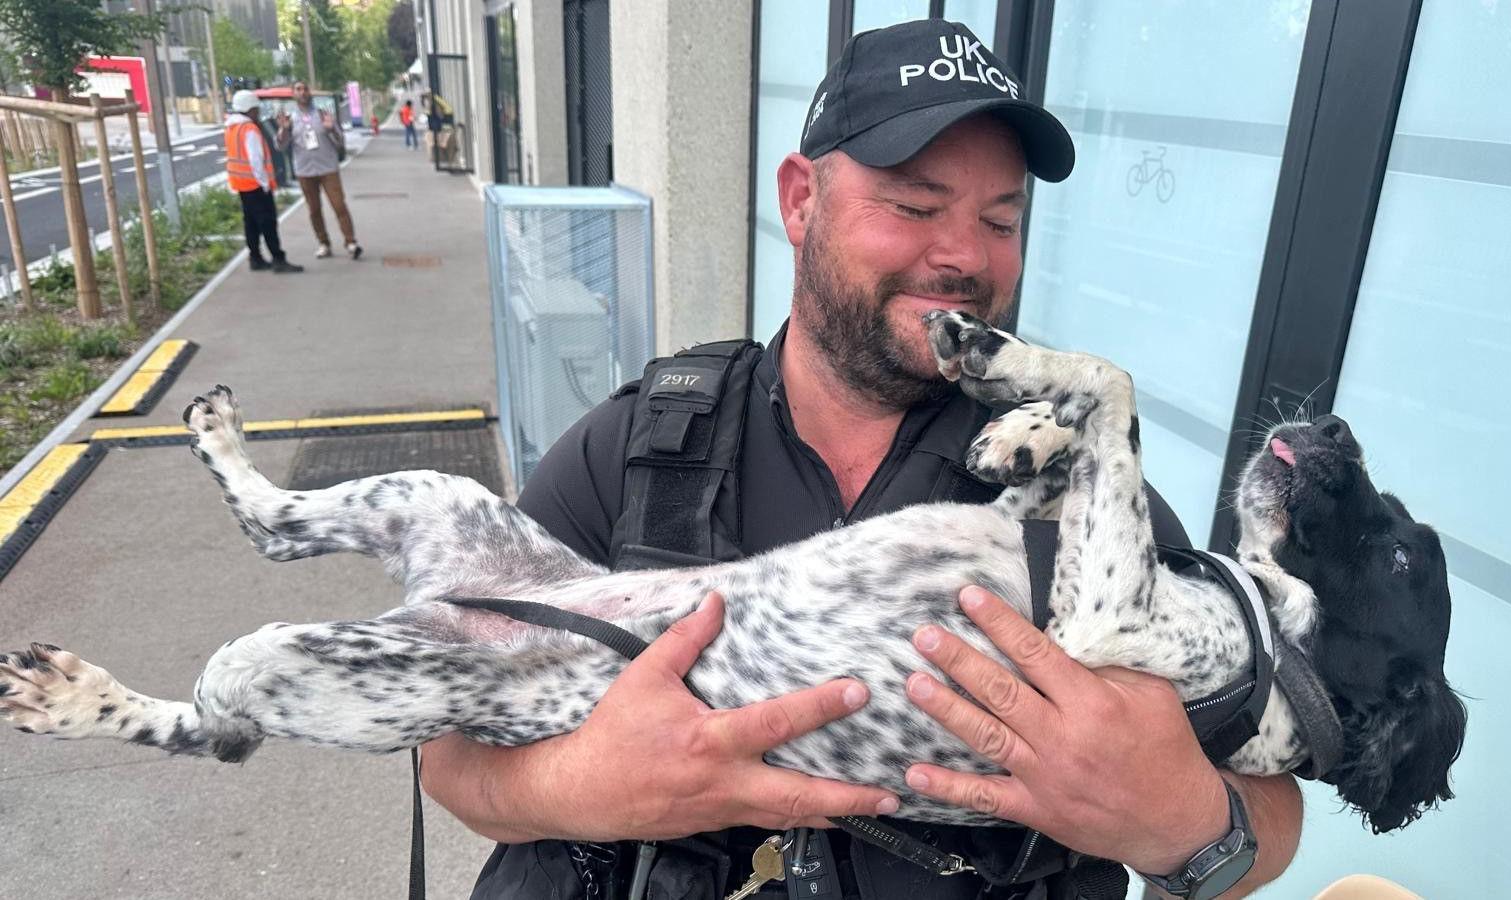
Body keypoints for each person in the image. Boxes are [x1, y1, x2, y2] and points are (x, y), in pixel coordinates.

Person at [422, 19, 1303, 900]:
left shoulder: (1078, 492)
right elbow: (445, 746)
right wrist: (586, 786)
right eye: (915, 207)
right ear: (801, 201)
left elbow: (1272, 802)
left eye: (1001, 220)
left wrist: (1186, 823)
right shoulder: (638, 451)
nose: (965, 255)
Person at [274, 80, 364, 260]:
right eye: (298, 89)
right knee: (314, 210)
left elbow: (340, 143)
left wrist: (331, 130)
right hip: (305, 171)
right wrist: (283, 130)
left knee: (339, 205)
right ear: (293, 94)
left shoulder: (323, 115)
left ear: (310, 92)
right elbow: (281, 146)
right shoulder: (290, 119)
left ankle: (351, 241)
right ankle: (324, 243)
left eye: (305, 89)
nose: (303, 92)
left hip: (328, 168)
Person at [223, 90, 302, 274]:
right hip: (256, 185)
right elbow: (256, 159)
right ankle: (278, 259)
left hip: (241, 184)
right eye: (256, 109)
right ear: (250, 109)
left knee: (250, 223)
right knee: (268, 223)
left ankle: (255, 257)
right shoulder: (249, 129)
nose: (258, 113)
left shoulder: (231, 127)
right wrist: (265, 183)